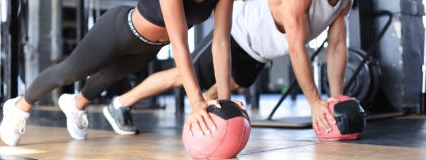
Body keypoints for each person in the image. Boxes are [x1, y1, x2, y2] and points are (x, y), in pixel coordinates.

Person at [0, 0, 237, 146]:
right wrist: (197, 102)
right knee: (68, 73)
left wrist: (225, 101)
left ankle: (75, 104)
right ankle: (20, 107)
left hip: (149, 47)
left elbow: (221, 43)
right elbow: (180, 42)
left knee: (109, 77)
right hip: (118, 32)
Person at [104, 0, 353, 136]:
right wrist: (314, 102)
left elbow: (337, 44)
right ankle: (121, 103)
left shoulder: (344, 1)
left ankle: (208, 116)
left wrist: (335, 99)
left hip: (261, 53)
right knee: (182, 75)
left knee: (230, 89)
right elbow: (297, 48)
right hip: (236, 36)